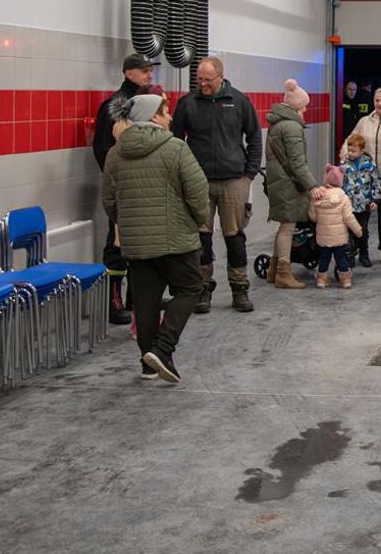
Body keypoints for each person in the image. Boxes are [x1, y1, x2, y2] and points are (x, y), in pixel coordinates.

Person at [101, 93, 207, 384]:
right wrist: (197, 220)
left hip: (137, 243)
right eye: (164, 112)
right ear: (152, 117)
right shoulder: (176, 148)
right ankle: (162, 349)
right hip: (176, 239)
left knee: (145, 302)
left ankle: (148, 365)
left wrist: (128, 223)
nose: (170, 117)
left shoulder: (115, 153)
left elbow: (109, 201)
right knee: (190, 288)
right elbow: (198, 192)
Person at [171, 55, 262, 314]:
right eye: (199, 79)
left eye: (208, 80)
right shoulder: (187, 104)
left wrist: (249, 174)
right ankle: (202, 290)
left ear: (221, 77)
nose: (203, 84)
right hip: (198, 181)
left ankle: (240, 289)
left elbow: (255, 138)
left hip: (234, 180)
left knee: (234, 237)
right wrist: (182, 175)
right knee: (201, 238)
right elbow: (175, 142)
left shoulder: (239, 102)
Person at [91, 52, 157, 326]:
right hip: (123, 187)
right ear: (129, 73)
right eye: (144, 70)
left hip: (144, 185)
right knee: (117, 244)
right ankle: (114, 300)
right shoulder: (117, 105)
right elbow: (102, 148)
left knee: (140, 245)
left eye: (150, 70)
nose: (150, 74)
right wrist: (118, 178)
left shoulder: (148, 102)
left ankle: (136, 298)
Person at [263, 79, 318, 290]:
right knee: (288, 227)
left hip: (279, 181)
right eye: (304, 106)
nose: (305, 109)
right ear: (296, 106)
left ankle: (273, 269)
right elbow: (297, 163)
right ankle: (283, 274)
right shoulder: (292, 126)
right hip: (288, 183)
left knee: (284, 226)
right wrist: (313, 186)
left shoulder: (277, 123)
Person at [347, 88, 381, 265]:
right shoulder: (364, 122)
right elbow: (351, 141)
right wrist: (344, 155)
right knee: (360, 218)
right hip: (364, 180)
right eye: (377, 100)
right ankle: (359, 249)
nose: (379, 103)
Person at [310, 165, 362, 289]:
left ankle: (321, 280)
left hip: (323, 237)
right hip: (339, 238)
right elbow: (348, 217)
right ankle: (345, 280)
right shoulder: (343, 198)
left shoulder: (318, 197)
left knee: (324, 258)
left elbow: (313, 217)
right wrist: (358, 230)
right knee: (341, 258)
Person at [339, 133, 380, 269]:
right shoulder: (343, 165)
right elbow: (340, 182)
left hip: (364, 203)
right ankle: (350, 255)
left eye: (353, 151)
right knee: (349, 231)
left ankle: (364, 253)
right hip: (348, 204)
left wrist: (375, 199)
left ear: (362, 151)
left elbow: (376, 182)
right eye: (349, 150)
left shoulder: (370, 165)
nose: (350, 153)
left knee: (363, 230)